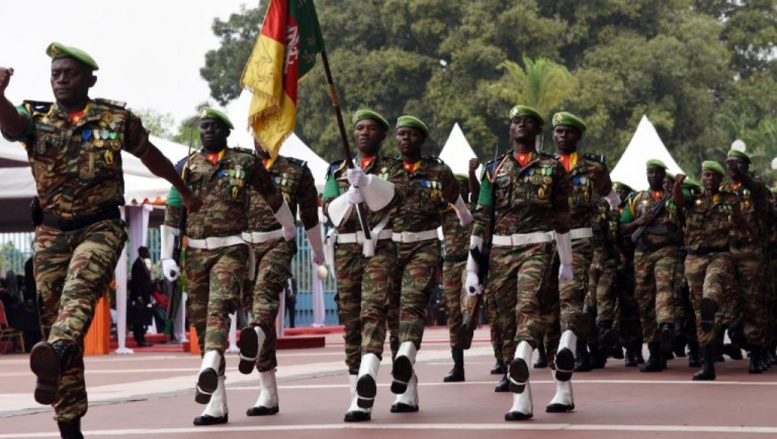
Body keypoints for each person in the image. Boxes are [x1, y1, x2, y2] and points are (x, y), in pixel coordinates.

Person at [0, 43, 200, 439]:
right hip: (52, 234)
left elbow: (151, 155)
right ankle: (69, 425)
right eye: (55, 73)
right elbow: (10, 127)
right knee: (57, 325)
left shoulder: (115, 118)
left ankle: (55, 352)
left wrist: (185, 191)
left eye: (69, 73)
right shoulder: (36, 118)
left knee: (80, 289)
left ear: (90, 78)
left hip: (101, 227)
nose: (60, 80)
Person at [160, 108, 291, 425]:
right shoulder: (186, 166)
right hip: (195, 254)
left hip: (232, 249)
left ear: (226, 132)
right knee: (203, 322)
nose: (207, 131)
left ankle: (209, 365)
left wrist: (288, 228)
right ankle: (216, 401)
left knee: (220, 308)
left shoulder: (244, 163)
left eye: (213, 126)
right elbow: (172, 210)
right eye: (203, 126)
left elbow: (272, 197)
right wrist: (166, 256)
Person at [466, 105, 571, 420]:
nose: (520, 124)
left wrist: (566, 261)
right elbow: (482, 218)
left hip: (537, 248)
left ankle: (526, 359)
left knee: (528, 307)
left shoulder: (553, 168)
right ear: (509, 130)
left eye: (527, 121)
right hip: (500, 253)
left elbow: (561, 217)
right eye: (515, 121)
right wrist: (472, 267)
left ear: (537, 131)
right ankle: (521, 401)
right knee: (505, 323)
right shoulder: (493, 169)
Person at [321, 109, 402, 422]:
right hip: (346, 251)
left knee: (373, 311)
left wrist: (368, 183)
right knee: (351, 320)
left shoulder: (393, 167)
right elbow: (331, 211)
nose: (363, 133)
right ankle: (357, 389)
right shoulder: (336, 170)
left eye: (370, 129)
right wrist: (349, 196)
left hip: (380, 248)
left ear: (381, 136)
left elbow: (393, 197)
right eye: (359, 129)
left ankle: (369, 373)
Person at [388, 115, 470, 413]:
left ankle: (407, 354)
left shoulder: (438, 170)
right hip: (389, 248)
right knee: (393, 317)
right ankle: (407, 389)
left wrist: (463, 216)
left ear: (421, 140)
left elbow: (456, 197)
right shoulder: (385, 169)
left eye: (411, 134)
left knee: (412, 304)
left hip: (423, 245)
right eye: (400, 134)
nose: (405, 139)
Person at [237, 141, 322, 418]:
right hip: (244, 247)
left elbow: (309, 215)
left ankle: (255, 334)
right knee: (256, 313)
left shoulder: (296, 170)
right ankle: (268, 391)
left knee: (265, 296)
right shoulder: (239, 166)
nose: (262, 139)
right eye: (257, 132)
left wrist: (318, 250)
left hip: (278, 242)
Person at [549, 111, 619, 412]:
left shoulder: (593, 167)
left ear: (577, 136)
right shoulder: (544, 166)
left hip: (579, 240)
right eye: (558, 131)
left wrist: (601, 215)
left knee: (571, 296)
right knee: (546, 307)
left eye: (568, 131)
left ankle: (570, 352)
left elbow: (613, 200)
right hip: (544, 242)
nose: (562, 136)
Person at [673, 161, 754, 381]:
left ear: (720, 179)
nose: (709, 179)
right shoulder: (694, 197)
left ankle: (711, 301)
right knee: (702, 316)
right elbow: (678, 202)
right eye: (705, 175)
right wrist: (677, 186)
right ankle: (707, 365)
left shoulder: (730, 199)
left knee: (713, 283)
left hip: (719, 254)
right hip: (694, 258)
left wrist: (750, 231)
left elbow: (738, 218)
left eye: (713, 176)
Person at [619, 160, 684, 372]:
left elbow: (686, 212)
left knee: (664, 288)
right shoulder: (636, 199)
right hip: (642, 254)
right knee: (644, 300)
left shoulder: (673, 199)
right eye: (650, 172)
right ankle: (655, 353)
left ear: (663, 175)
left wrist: (675, 188)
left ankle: (666, 325)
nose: (653, 176)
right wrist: (639, 222)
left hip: (667, 250)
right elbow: (622, 228)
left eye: (657, 173)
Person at [723, 149, 771, 373]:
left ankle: (758, 353)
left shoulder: (756, 186)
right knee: (728, 302)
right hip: (728, 251)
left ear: (746, 165)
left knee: (754, 305)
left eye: (737, 163)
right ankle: (729, 343)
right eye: (729, 163)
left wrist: (741, 175)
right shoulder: (722, 190)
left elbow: (752, 186)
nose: (731, 166)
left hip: (752, 253)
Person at [440, 166, 478, 383]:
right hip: (450, 263)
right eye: (457, 186)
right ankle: (458, 366)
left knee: (468, 300)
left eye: (463, 186)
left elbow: (477, 190)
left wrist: (472, 175)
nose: (460, 189)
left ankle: (468, 323)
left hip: (469, 261)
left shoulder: (473, 208)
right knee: (452, 312)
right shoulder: (445, 210)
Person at [129, 246, 154, 347]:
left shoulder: (143, 263)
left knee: (143, 318)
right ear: (141, 252)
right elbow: (137, 282)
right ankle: (139, 339)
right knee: (139, 319)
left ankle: (142, 338)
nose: (148, 253)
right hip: (140, 297)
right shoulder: (137, 265)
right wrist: (139, 296)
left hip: (145, 295)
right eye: (146, 251)